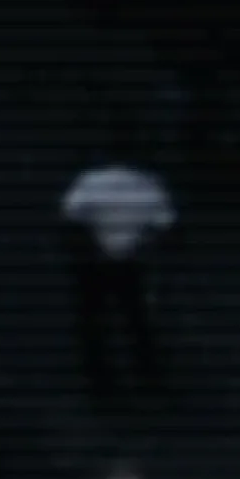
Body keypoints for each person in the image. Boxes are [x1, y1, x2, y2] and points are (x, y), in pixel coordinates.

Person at [60, 155, 177, 396]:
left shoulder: (91, 181)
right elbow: (164, 226)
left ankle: (100, 379)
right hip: (131, 263)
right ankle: (147, 375)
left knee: (94, 321)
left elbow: (70, 216)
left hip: (94, 262)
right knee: (137, 319)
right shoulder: (148, 185)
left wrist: (87, 249)